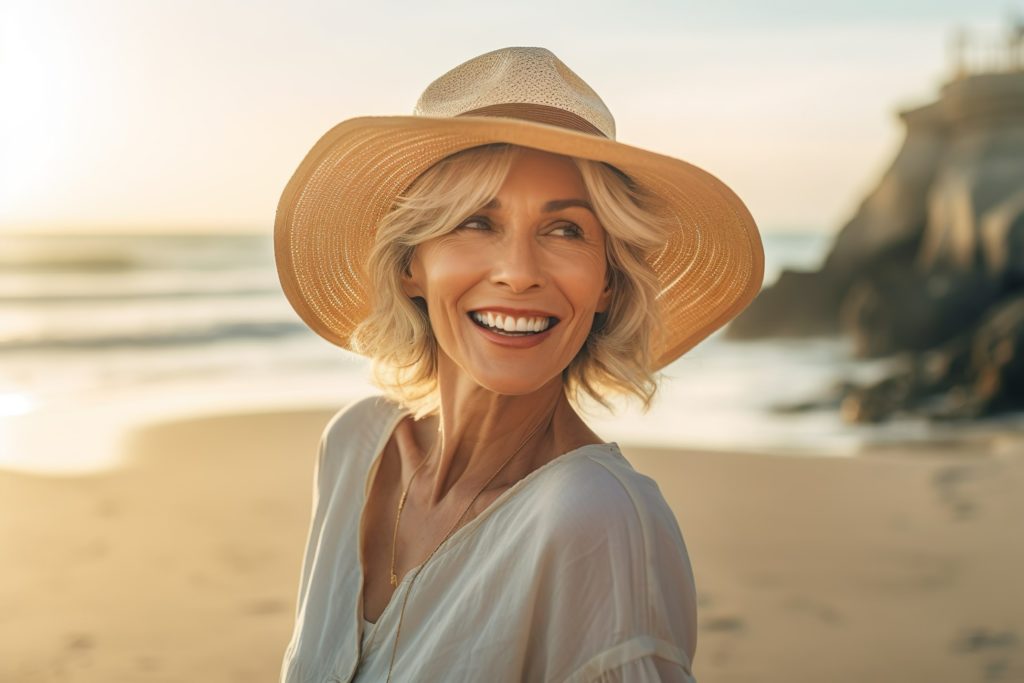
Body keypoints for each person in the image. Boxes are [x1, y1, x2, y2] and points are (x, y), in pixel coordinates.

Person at [274, 47, 764, 683]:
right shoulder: (354, 447)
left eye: (566, 232)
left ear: (608, 283)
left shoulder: (599, 519)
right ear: (409, 264)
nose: (519, 273)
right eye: (477, 221)